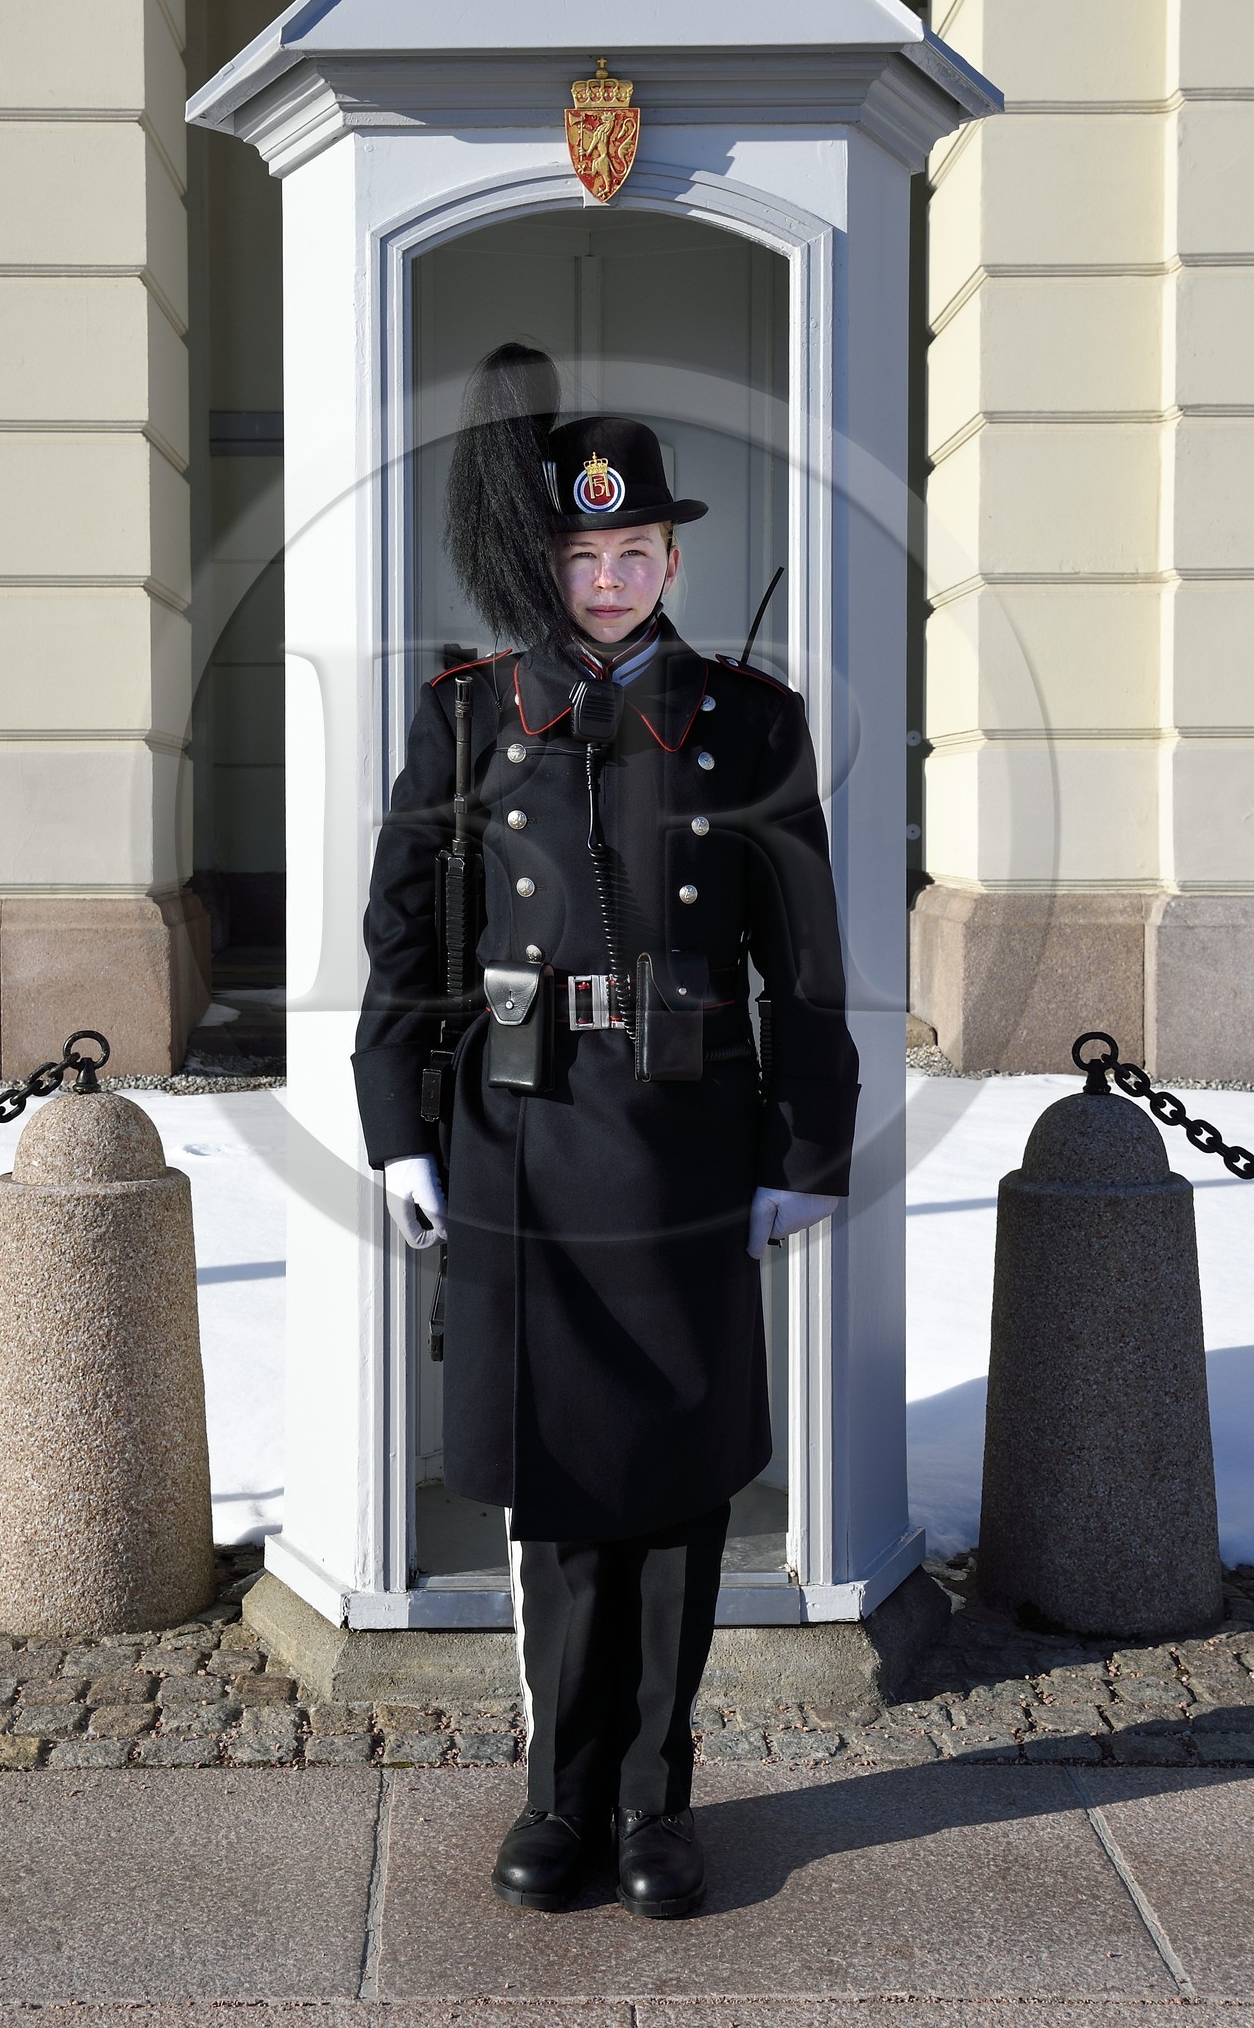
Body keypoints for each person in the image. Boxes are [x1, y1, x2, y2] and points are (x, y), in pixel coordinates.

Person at [352, 344, 860, 1918]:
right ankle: (554, 1798)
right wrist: (398, 1131)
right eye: (585, 555)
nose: (615, 578)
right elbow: (407, 936)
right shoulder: (470, 718)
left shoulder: (749, 723)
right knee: (560, 1495)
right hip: (517, 1136)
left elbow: (809, 963)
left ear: (674, 557)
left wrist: (804, 1151)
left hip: (694, 1141)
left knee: (678, 1489)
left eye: (639, 551)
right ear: (550, 563)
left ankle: (657, 1806)